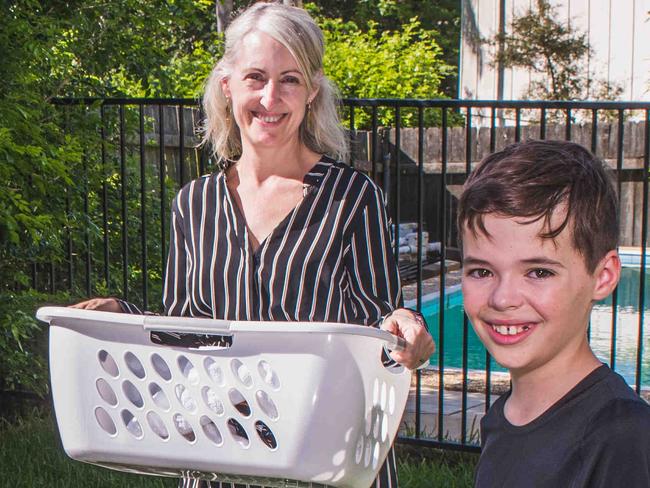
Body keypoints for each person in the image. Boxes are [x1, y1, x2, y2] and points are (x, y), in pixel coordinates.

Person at [73, 3, 434, 488]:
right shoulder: (194, 204)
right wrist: (122, 313)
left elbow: (380, 326)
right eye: (256, 77)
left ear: (312, 90)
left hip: (324, 461)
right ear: (228, 84)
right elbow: (183, 331)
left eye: (290, 79)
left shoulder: (352, 198)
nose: (270, 97)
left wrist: (406, 329)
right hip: (218, 456)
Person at [457, 139, 650, 487]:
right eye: (482, 271)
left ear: (602, 277)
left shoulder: (623, 437)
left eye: (539, 272)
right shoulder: (503, 417)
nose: (503, 299)